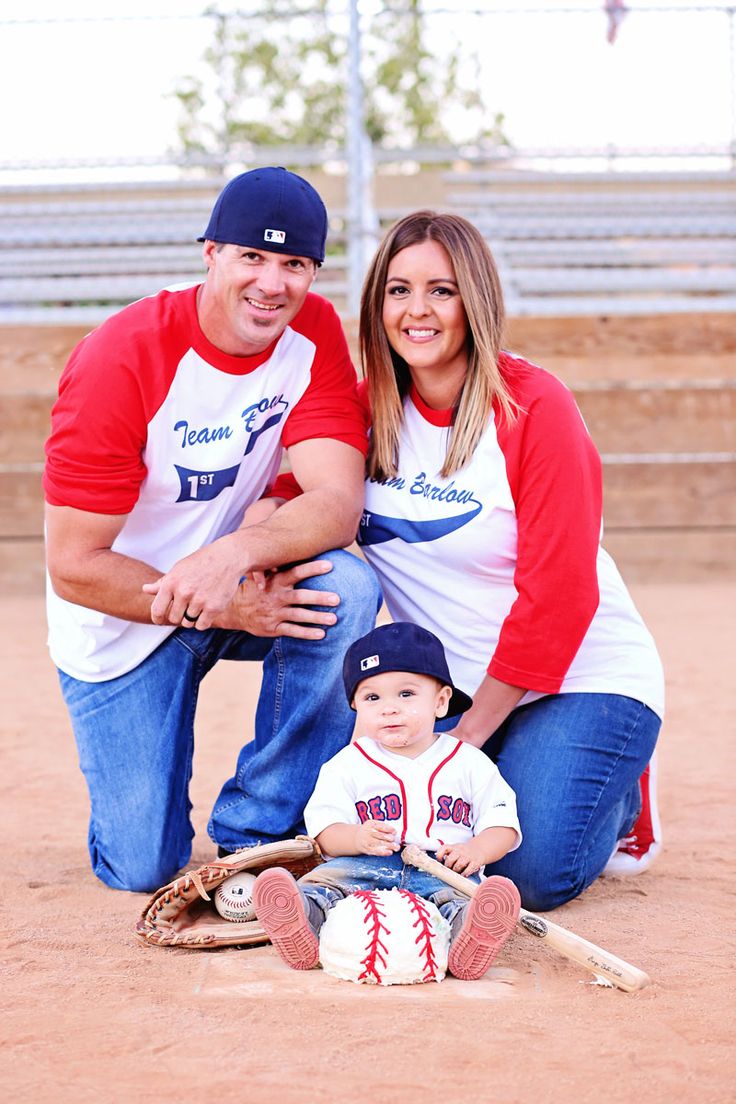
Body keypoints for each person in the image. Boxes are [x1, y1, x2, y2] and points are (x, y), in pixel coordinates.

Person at [255, 209, 665, 912]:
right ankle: (530, 765)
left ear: (474, 300)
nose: (417, 311)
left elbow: (561, 595)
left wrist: (467, 741)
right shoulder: (366, 409)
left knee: (522, 875)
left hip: (580, 677)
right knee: (414, 843)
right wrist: (249, 553)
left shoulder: (534, 407)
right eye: (398, 290)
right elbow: (293, 500)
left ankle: (622, 800)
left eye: (441, 291)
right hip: (455, 689)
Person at [42, 166, 381, 893]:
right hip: (121, 616)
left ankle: (259, 835)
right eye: (252, 257)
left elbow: (338, 500)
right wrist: (216, 599)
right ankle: (142, 810)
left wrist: (237, 553)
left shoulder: (312, 332)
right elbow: (74, 565)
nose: (272, 283)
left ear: (314, 274)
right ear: (211, 254)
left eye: (294, 264)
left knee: (347, 589)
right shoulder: (120, 356)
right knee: (142, 866)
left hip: (230, 583)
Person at [252, 621, 522, 981]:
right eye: (372, 697)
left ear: (441, 702)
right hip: (362, 866)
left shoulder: (469, 761)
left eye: (406, 694)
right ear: (355, 706)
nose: (388, 709)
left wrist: (477, 850)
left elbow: (502, 824)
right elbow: (325, 832)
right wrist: (357, 838)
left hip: (441, 870)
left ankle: (468, 941)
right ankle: (301, 919)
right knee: (322, 886)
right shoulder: (346, 763)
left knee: (464, 901)